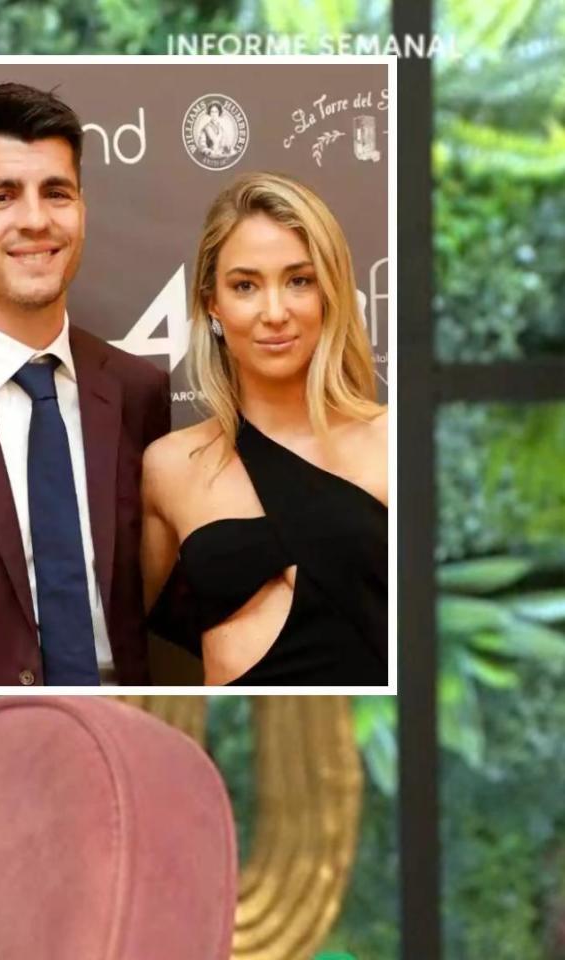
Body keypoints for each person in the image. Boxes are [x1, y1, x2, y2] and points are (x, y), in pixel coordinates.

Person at [0, 82, 172, 687]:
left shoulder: (138, 393)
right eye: (2, 196)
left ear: (81, 208)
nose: (35, 220)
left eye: (56, 193)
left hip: (123, 718)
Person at [141, 171, 388, 686]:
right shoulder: (170, 467)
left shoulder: (395, 443)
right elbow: (114, 640)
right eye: (245, 286)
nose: (274, 313)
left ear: (330, 292)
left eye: (299, 280)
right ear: (213, 304)